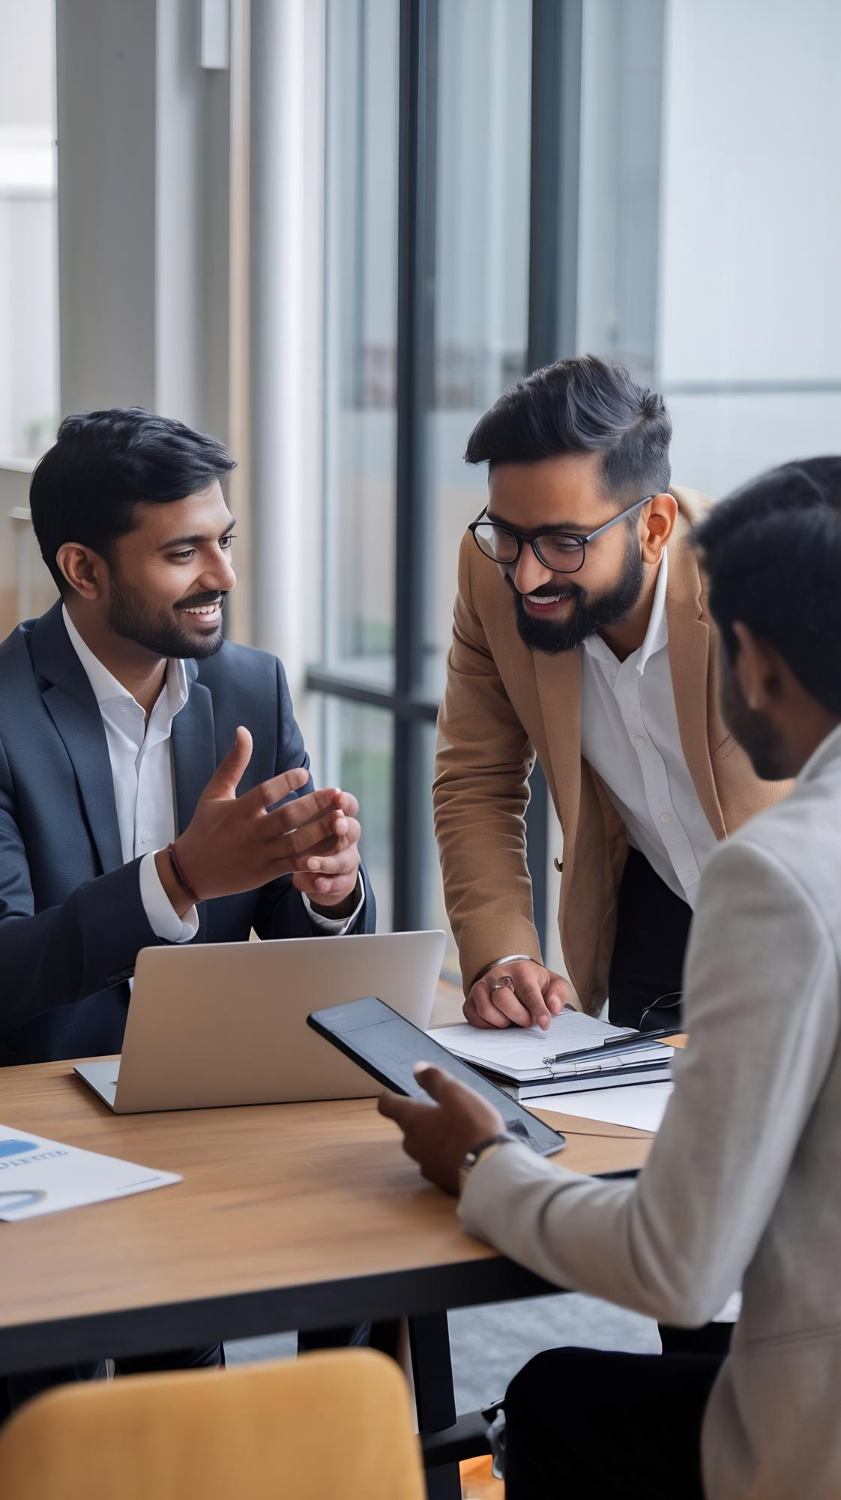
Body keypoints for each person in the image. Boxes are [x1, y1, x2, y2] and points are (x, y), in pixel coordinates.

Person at [381, 455, 841, 1499]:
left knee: (550, 1400)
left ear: (755, 664)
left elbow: (679, 1261)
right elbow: (476, 774)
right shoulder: (494, 586)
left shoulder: (778, 876)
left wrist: (482, 1165)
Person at [0, 407, 374, 1409]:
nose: (223, 575)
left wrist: (330, 892)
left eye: (225, 540)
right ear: (83, 569)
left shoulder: (249, 688)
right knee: (55, 1416)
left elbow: (301, 942)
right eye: (183, 551)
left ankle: (349, 1448)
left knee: (381, 1199)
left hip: (203, 1101)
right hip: (34, 1115)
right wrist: (176, 880)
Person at [434, 356, 788, 1037]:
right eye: (507, 534)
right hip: (650, 931)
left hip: (801, 939)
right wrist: (503, 955)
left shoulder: (765, 586)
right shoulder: (488, 573)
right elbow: (477, 778)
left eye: (564, 543)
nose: (527, 575)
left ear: (653, 528)